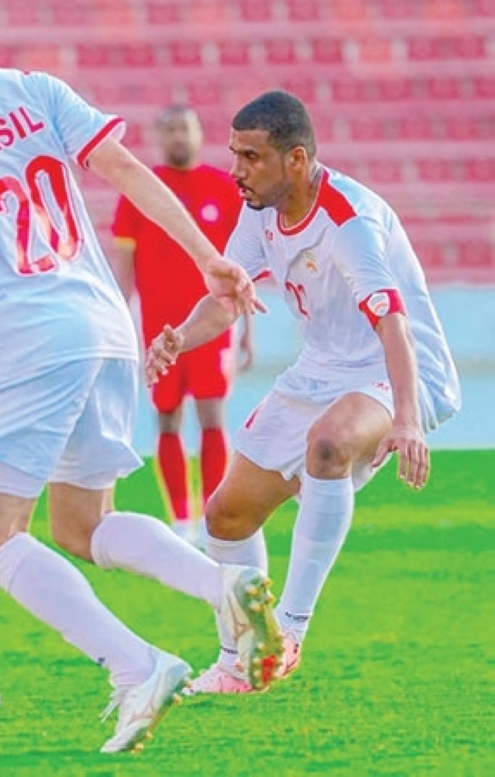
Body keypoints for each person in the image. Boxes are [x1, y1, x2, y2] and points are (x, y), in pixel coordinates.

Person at [0, 0, 281, 754]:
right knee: (81, 524)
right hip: (107, 328)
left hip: (29, 334)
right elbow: (127, 169)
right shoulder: (35, 88)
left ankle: (137, 665)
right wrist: (210, 257)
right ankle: (222, 584)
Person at [146, 90, 461, 694]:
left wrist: (407, 418)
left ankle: (288, 631)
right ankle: (244, 657)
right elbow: (227, 297)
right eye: (234, 153)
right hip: (320, 369)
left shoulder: (348, 222)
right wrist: (179, 339)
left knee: (327, 446)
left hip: (393, 368)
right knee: (226, 516)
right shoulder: (260, 210)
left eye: (250, 156)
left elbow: (392, 322)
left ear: (295, 159)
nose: (236, 170)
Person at [111, 105, 251, 548]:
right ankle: (181, 517)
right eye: (169, 128)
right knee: (167, 419)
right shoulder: (141, 191)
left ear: (197, 132)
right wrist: (123, 326)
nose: (177, 136)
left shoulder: (222, 189)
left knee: (213, 415)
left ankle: (213, 513)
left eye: (184, 127)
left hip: (212, 327)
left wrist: (248, 329)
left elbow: (241, 267)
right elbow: (125, 266)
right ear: (158, 135)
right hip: (160, 329)